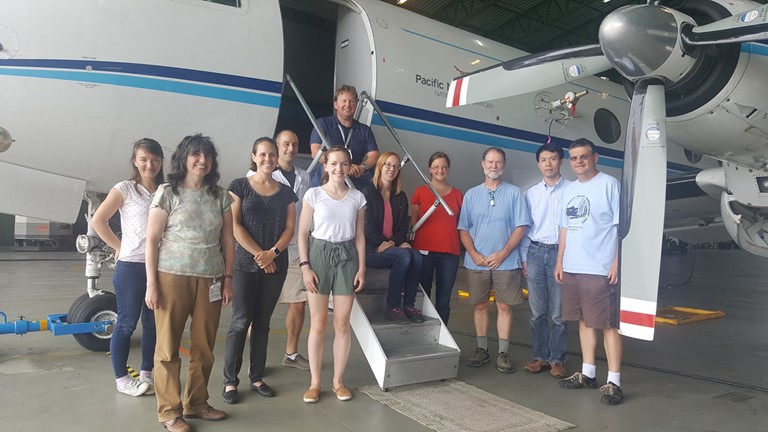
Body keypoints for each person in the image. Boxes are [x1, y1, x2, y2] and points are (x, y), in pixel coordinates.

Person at [145, 134, 234, 432]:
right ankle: (170, 412)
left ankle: (196, 403)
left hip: (210, 277)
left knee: (204, 346)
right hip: (172, 276)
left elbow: (228, 241)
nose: (202, 160)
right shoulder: (168, 193)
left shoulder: (220, 196)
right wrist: (151, 284)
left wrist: (228, 279)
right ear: (184, 158)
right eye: (196, 154)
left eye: (207, 155)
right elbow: (152, 240)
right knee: (168, 347)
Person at [221, 137, 298, 405]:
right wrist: (259, 255)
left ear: (277, 158)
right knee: (240, 322)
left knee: (263, 323)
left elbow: (290, 228)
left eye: (272, 155)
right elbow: (235, 225)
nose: (268, 159)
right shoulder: (239, 186)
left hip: (275, 265)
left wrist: (273, 253)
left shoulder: (287, 192)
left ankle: (256, 377)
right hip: (244, 264)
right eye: (263, 154)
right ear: (254, 157)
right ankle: (230, 381)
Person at [92, 138, 163, 397]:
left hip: (159, 267)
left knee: (152, 323)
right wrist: (118, 246)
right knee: (126, 323)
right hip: (131, 267)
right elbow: (99, 220)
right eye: (143, 159)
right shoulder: (125, 189)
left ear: (161, 162)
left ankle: (146, 374)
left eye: (155, 160)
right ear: (135, 161)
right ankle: (122, 379)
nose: (149, 165)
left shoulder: (165, 190)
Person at [555, 138, 623, 405]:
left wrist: (617, 262)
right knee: (583, 321)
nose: (579, 161)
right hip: (573, 266)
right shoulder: (569, 190)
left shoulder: (609, 185)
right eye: (574, 158)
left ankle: (614, 381)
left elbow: (620, 228)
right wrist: (560, 261)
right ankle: (588, 373)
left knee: (607, 324)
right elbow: (565, 228)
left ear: (595, 158)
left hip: (600, 268)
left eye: (584, 156)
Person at [298, 146, 366, 404]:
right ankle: (315, 383)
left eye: (344, 164)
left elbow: (359, 236)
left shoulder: (358, 198)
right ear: (325, 166)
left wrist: (361, 267)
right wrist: (305, 265)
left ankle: (338, 382)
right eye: (334, 164)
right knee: (318, 324)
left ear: (349, 167)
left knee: (341, 323)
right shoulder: (313, 195)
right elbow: (303, 233)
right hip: (318, 256)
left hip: (347, 258)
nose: (339, 168)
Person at [458, 147, 530, 374]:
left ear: (504, 165)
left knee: (504, 306)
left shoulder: (515, 193)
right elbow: (463, 229)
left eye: (498, 162)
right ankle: (482, 349)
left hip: (506, 262)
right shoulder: (471, 194)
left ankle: (503, 353)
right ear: (483, 164)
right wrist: (474, 254)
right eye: (490, 162)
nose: (494, 166)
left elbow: (521, 227)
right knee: (479, 305)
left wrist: (504, 253)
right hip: (477, 262)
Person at [520, 143, 571, 379]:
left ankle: (557, 360)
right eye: (543, 160)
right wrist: (524, 258)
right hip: (536, 253)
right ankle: (540, 357)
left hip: (562, 254)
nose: (548, 164)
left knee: (558, 314)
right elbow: (525, 229)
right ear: (538, 163)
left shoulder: (572, 190)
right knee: (537, 312)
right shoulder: (531, 193)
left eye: (552, 159)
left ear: (561, 161)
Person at [364, 152, 424, 324]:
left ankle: (409, 306)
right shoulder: (368, 191)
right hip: (372, 249)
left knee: (417, 256)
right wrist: (387, 243)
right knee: (404, 255)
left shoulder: (401, 196)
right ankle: (392, 307)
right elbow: (366, 228)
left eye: (396, 166)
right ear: (380, 167)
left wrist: (394, 242)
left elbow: (402, 228)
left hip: (391, 248)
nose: (392, 169)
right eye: (388, 165)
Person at [271, 130, 312, 370]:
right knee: (261, 307)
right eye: (285, 144)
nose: (290, 148)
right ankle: (255, 358)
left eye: (295, 144)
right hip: (270, 249)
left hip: (296, 248)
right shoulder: (261, 174)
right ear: (277, 146)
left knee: (298, 303)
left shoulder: (304, 176)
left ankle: (292, 354)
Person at [410, 151, 463, 324]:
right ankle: (422, 331)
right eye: (436, 167)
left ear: (448, 169)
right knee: (422, 296)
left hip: (449, 253)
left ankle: (442, 334)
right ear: (429, 169)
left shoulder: (457, 195)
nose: (440, 170)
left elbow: (462, 225)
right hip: (423, 252)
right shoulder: (419, 192)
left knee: (443, 300)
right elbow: (413, 223)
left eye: (444, 167)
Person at [309, 85, 379, 189]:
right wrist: (343, 167)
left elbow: (374, 155)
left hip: (354, 173)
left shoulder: (365, 130)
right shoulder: (322, 124)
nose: (348, 104)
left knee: (373, 179)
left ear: (356, 105)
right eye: (344, 101)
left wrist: (362, 167)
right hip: (329, 172)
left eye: (351, 101)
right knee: (323, 170)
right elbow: (315, 153)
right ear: (335, 104)